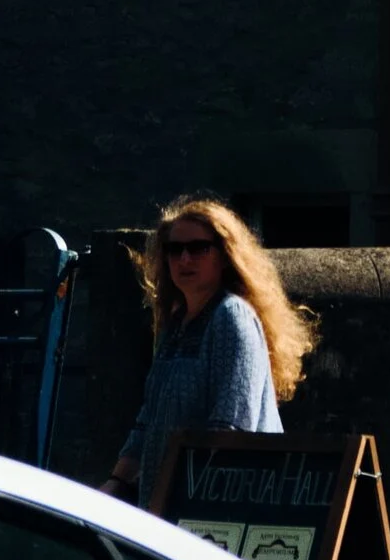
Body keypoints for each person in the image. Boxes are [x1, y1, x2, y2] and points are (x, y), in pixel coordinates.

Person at [105, 197, 310, 508]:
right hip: (168, 504)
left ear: (224, 256)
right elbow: (148, 420)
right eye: (175, 250)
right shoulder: (176, 324)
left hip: (222, 506)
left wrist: (191, 501)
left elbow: (231, 425)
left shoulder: (231, 316)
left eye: (198, 248)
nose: (184, 259)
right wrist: (116, 484)